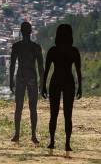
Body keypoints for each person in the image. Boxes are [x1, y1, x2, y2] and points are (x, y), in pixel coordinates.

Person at [42, 24, 82, 153]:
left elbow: (46, 71)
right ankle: (67, 144)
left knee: (54, 114)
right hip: (68, 82)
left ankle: (53, 142)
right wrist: (80, 86)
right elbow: (78, 71)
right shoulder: (73, 51)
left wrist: (43, 85)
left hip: (55, 81)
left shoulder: (53, 50)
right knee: (67, 115)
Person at [9, 22, 43, 144]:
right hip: (32, 76)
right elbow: (40, 67)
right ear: (30, 32)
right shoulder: (36, 47)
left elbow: (13, 65)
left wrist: (10, 80)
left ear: (21, 32)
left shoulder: (16, 46)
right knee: (32, 108)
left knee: (18, 107)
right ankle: (33, 135)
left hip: (20, 77)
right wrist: (42, 82)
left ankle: (17, 134)